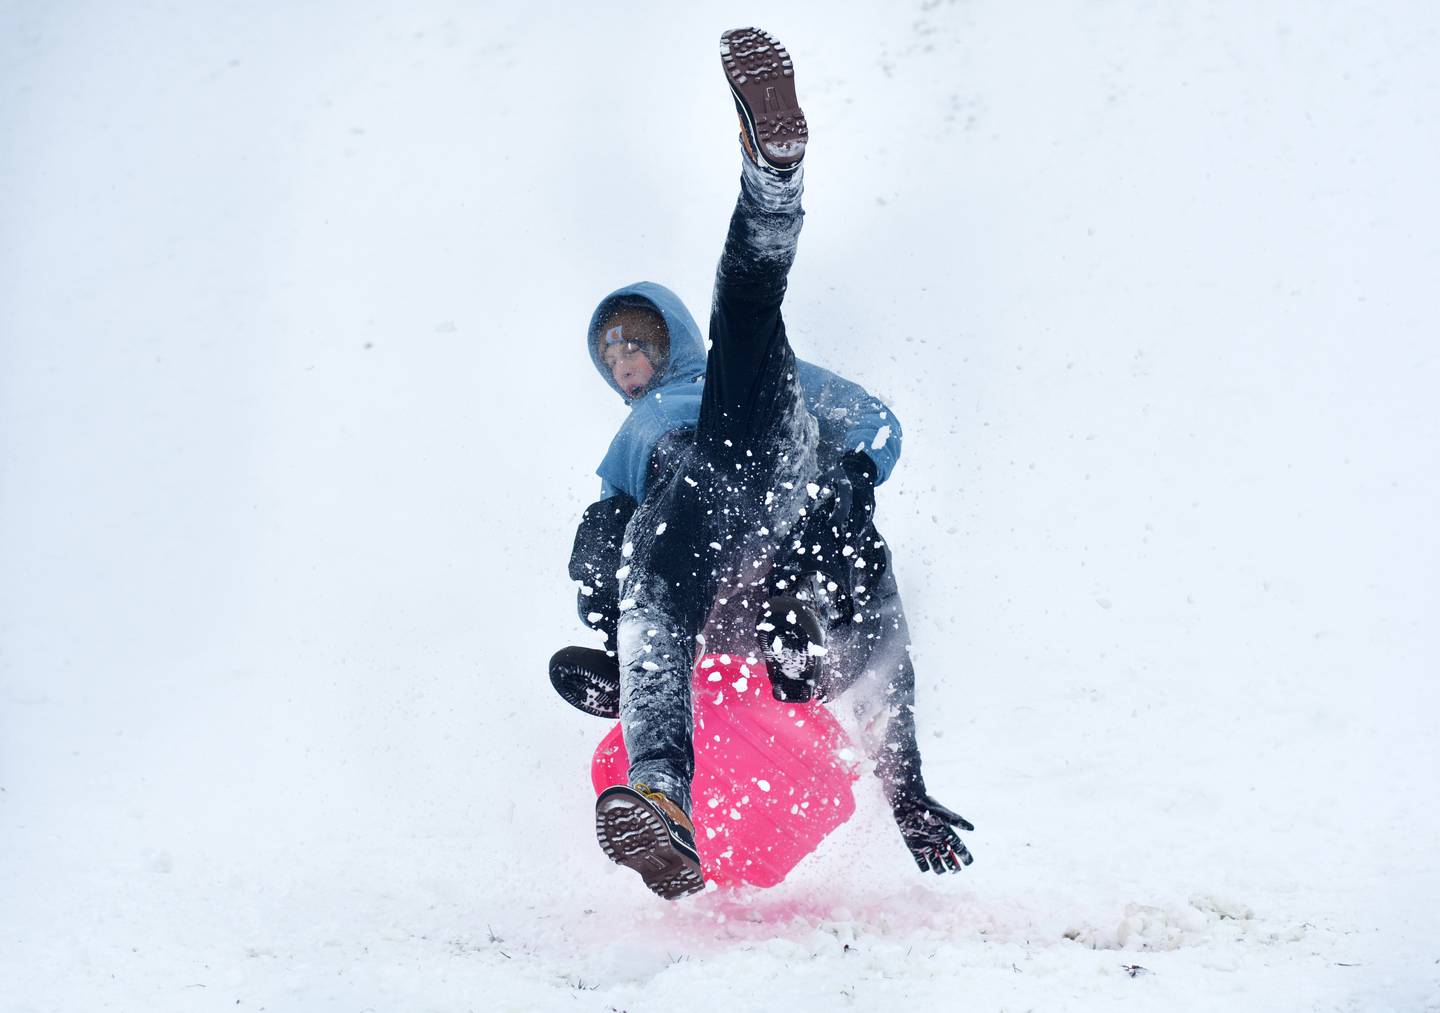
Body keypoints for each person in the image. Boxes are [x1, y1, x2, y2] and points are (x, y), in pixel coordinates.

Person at [564, 28, 974, 900]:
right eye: (611, 350)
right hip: (698, 511)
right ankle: (664, 800)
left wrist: (856, 475)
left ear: (668, 336)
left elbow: (874, 421)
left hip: (781, 471)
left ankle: (773, 169)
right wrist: (605, 613)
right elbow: (605, 533)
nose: (627, 358)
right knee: (649, 608)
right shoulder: (631, 443)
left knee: (748, 313)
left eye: (639, 337)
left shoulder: (713, 371)